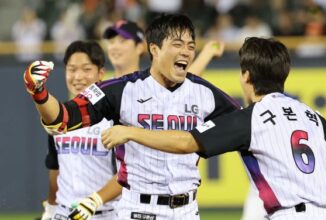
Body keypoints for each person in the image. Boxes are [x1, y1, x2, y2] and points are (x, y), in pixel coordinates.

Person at [100, 37, 326, 220]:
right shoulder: (312, 116)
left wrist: (131, 132)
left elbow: (184, 143)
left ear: (246, 76)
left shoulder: (250, 119)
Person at [23, 14, 239, 220]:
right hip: (137, 209)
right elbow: (63, 118)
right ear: (154, 49)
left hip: (187, 210)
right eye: (177, 44)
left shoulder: (206, 92)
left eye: (190, 46)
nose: (186, 51)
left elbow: (246, 125)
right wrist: (38, 92)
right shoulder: (120, 89)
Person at [36, 41, 122, 220]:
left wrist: (95, 200)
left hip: (105, 213)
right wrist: (51, 209)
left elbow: (128, 173)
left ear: (101, 73)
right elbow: (55, 168)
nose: (78, 76)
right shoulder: (59, 117)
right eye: (72, 69)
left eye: (86, 69)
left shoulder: (115, 117)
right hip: (64, 213)